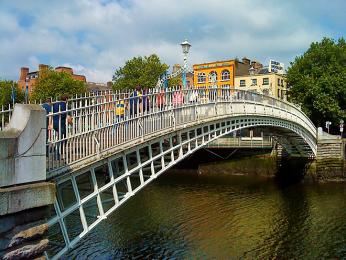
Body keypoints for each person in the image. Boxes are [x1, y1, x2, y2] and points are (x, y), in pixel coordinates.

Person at [52, 95, 72, 159]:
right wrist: (71, 124)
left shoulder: (55, 104)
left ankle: (60, 151)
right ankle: (57, 154)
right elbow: (68, 118)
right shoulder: (66, 106)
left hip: (54, 124)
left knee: (62, 137)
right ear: (66, 99)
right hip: (61, 124)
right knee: (62, 139)